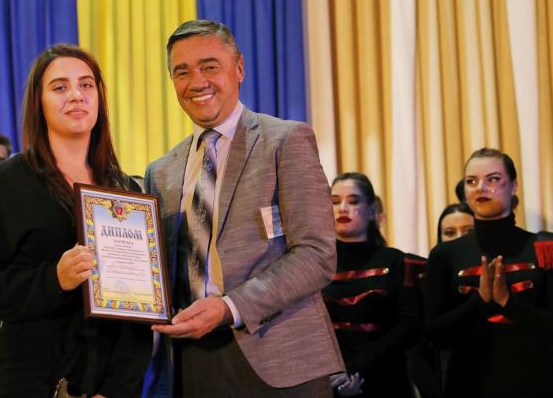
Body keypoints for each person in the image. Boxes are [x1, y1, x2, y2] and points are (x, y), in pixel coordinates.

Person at [145, 20, 342, 397]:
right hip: (192, 362)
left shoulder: (285, 140)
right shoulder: (161, 171)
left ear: (239, 68)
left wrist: (229, 307)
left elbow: (316, 255)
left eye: (209, 66)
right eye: (181, 72)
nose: (197, 81)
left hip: (281, 361)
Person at [0, 44, 151, 397]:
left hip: (107, 385)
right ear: (39, 103)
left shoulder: (124, 189)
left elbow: (140, 312)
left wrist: (117, 389)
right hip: (29, 381)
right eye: (60, 87)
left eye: (86, 85)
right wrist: (53, 279)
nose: (76, 95)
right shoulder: (7, 182)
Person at [426, 148, 553, 397]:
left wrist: (507, 302)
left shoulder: (545, 248)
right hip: (467, 385)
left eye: (493, 179)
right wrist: (480, 301)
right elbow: (435, 336)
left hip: (535, 383)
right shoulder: (444, 254)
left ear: (514, 186)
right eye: (471, 181)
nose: (480, 188)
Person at [323, 172, 418, 397]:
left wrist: (356, 370)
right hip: (329, 381)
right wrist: (334, 375)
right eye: (335, 202)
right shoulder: (316, 264)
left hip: (385, 378)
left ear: (371, 210)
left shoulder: (396, 261)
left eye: (353, 201)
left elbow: (408, 326)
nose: (342, 209)